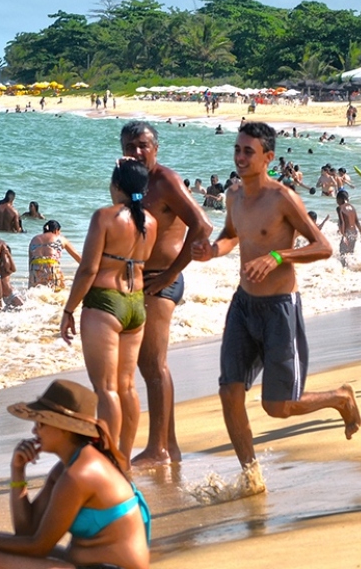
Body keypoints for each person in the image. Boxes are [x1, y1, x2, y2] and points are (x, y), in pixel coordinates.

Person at [192, 122, 360, 484]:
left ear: (268, 157)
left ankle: (340, 398)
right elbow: (230, 237)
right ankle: (251, 476)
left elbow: (323, 247)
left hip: (279, 309)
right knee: (229, 392)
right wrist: (211, 251)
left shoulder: (284, 198)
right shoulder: (234, 195)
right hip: (243, 306)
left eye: (247, 151)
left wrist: (279, 257)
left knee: (279, 407)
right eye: (237, 149)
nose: (239, 157)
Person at [0, 380, 150, 569]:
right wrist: (17, 471)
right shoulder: (66, 469)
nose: (35, 431)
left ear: (65, 429)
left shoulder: (80, 475)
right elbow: (26, 533)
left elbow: (39, 546)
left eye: (41, 423)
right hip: (88, 564)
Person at [120, 120, 213, 470]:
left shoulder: (165, 181)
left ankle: (159, 448)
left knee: (153, 364)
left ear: (156, 148)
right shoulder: (132, 184)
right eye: (130, 146)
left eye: (143, 145)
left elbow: (203, 225)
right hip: (140, 281)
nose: (137, 151)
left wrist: (173, 273)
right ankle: (167, 446)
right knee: (145, 366)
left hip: (162, 280)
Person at [59, 159, 158, 459]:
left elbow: (88, 269)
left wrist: (69, 309)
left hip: (105, 302)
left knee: (105, 389)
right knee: (127, 387)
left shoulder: (104, 216)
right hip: (135, 305)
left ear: (116, 186)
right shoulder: (151, 222)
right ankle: (124, 457)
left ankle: (108, 457)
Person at [28, 221, 81, 291]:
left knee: (35, 294)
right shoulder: (59, 238)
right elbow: (77, 256)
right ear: (56, 230)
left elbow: (30, 261)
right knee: (57, 293)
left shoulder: (34, 239)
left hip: (35, 266)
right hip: (51, 265)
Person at [336, 190, 361, 262]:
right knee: (351, 253)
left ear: (340, 199)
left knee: (342, 253)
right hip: (354, 233)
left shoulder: (340, 208)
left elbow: (342, 222)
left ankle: (344, 271)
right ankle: (353, 269)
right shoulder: (352, 207)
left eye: (336, 200)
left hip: (347, 233)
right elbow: (357, 222)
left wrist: (343, 235)